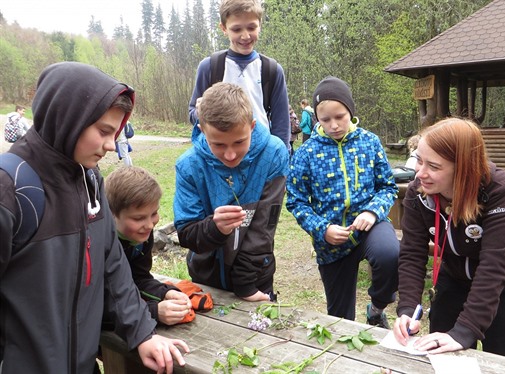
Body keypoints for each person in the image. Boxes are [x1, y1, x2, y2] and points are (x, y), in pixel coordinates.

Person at [0, 61, 189, 373]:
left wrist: (142, 332)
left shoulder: (90, 180)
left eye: (114, 132)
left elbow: (113, 265)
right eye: (103, 131)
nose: (110, 144)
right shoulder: (11, 188)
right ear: (67, 117)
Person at [393, 118, 505, 361]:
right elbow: (412, 254)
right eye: (419, 160)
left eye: (434, 167)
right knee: (439, 357)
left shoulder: (500, 189)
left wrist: (466, 330)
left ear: (464, 168)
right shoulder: (418, 191)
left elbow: (496, 265)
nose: (420, 173)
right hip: (454, 278)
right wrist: (407, 309)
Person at [286, 76, 400, 327]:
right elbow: (295, 201)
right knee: (340, 322)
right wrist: (322, 229)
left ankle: (376, 309)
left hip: (369, 226)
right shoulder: (306, 152)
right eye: (325, 119)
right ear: (316, 118)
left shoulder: (369, 142)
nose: (334, 125)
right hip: (331, 241)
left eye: (340, 116)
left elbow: (388, 187)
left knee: (389, 254)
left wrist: (372, 212)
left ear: (350, 111)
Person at [175, 82, 289, 302]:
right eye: (218, 144)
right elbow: (186, 233)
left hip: (256, 276)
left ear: (252, 126)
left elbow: (265, 226)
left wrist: (245, 284)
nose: (230, 155)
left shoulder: (274, 153)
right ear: (202, 131)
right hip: (206, 277)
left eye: (239, 142)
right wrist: (215, 228)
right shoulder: (188, 166)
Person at [188, 0, 290, 149]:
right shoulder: (210, 67)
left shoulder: (272, 70)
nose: (245, 36)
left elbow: (282, 124)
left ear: (260, 25)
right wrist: (201, 111)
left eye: (251, 27)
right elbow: (192, 113)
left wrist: (282, 159)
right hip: (220, 155)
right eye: (236, 29)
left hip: (260, 155)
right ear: (224, 28)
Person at [105, 166, 192, 325]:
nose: (150, 225)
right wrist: (153, 312)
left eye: (154, 214)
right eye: (138, 218)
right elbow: (99, 306)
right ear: (111, 214)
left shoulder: (140, 235)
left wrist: (166, 293)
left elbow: (138, 278)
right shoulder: (98, 246)